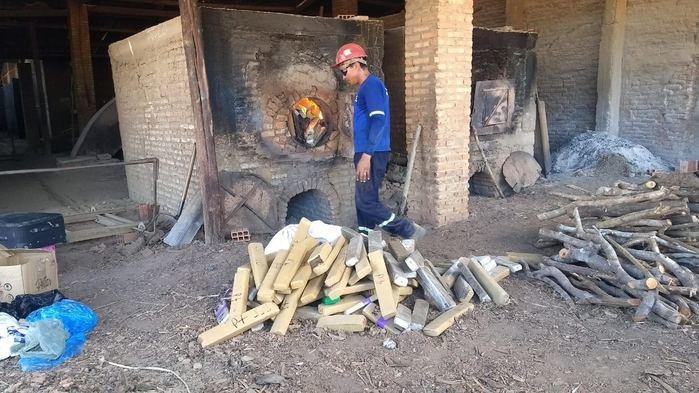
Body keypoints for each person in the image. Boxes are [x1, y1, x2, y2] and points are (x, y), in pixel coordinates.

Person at [332, 43, 425, 240]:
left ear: (356, 65)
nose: (343, 76)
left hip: (372, 153)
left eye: (344, 71)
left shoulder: (372, 86)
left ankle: (406, 229)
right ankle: (365, 240)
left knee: (365, 202)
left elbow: (379, 120)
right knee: (364, 201)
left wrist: (367, 156)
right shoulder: (366, 88)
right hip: (368, 152)